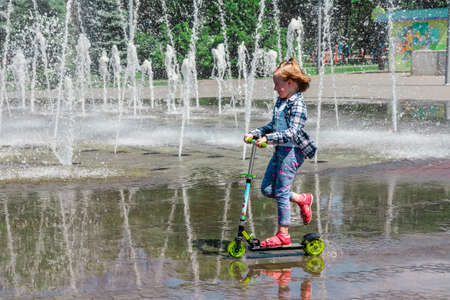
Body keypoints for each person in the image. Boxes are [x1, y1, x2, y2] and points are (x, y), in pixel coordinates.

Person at [243, 57, 317, 248]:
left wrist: (268, 139)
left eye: (277, 84)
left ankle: (283, 234)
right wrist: (257, 132)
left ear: (290, 83)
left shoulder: (298, 105)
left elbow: (292, 133)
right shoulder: (281, 101)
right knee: (268, 189)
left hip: (292, 151)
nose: (275, 88)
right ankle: (302, 199)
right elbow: (274, 125)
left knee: (282, 192)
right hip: (280, 149)